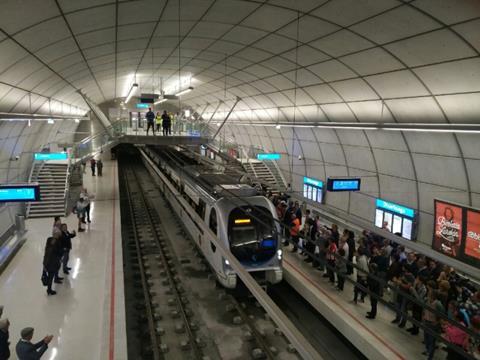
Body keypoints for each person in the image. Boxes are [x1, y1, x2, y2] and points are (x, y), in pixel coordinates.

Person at [43, 231, 63, 295]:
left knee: (50, 276)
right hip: (52, 263)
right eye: (57, 235)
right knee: (50, 277)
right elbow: (59, 252)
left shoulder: (49, 239)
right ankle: (49, 290)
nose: (57, 236)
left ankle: (49, 288)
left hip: (48, 262)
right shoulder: (57, 242)